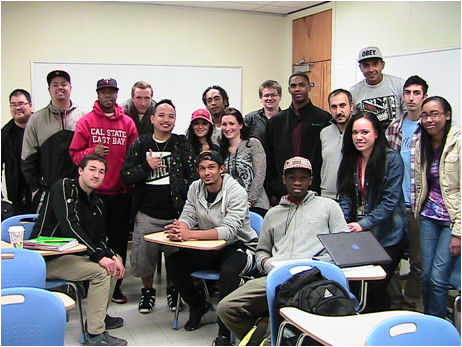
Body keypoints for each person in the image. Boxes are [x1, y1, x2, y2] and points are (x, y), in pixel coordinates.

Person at [217, 156, 348, 342]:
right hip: (277, 277)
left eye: (303, 177)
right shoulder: (273, 214)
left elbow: (341, 248)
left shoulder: (329, 207)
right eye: (292, 177)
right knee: (227, 308)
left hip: (314, 278)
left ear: (311, 181)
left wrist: (316, 265)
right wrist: (267, 264)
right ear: (284, 180)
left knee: (282, 316)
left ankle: (274, 339)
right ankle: (261, 336)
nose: (297, 182)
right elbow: (261, 250)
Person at [30, 154, 127, 346]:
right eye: (92, 169)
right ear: (80, 171)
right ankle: (94, 334)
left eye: (101, 172)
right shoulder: (65, 187)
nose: (96, 175)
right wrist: (99, 256)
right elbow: (70, 226)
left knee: (115, 263)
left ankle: (97, 317)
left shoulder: (97, 203)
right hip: (47, 259)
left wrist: (110, 255)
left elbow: (98, 238)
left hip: (73, 257)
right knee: (101, 271)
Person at [165, 150, 257, 346]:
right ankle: (198, 305)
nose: (206, 172)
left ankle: (224, 331)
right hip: (208, 247)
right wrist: (180, 228)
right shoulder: (195, 188)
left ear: (221, 169)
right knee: (173, 262)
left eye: (211, 168)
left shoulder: (236, 191)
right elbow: (189, 214)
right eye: (202, 168)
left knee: (229, 272)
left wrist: (191, 235)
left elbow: (229, 231)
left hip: (238, 246)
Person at [120, 99, 198, 314]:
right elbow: (125, 176)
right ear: (152, 118)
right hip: (146, 214)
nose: (166, 120)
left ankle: (174, 292)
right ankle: (148, 292)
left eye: (171, 116)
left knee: (175, 259)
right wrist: (146, 166)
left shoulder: (181, 144)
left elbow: (194, 178)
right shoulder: (141, 144)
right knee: (145, 260)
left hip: (175, 215)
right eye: (161, 115)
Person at [69, 78, 138, 304]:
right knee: (92, 239)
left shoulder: (127, 123)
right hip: (92, 194)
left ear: (117, 95)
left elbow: (134, 157)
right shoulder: (86, 122)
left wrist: (129, 185)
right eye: (104, 92)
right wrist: (93, 150)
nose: (108, 96)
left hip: (119, 194)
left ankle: (115, 286)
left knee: (118, 242)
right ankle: (92, 283)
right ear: (98, 94)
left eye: (112, 92)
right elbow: (75, 154)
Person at [337, 111, 407, 313]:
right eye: (355, 132)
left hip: (388, 235)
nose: (359, 137)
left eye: (365, 132)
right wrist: (343, 223)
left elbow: (390, 201)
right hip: (359, 235)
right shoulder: (350, 159)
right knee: (357, 287)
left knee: (376, 287)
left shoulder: (392, 160)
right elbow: (346, 197)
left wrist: (363, 224)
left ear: (377, 133)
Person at [414, 96, 460, 318]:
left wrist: (459, 233)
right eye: (425, 116)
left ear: (447, 115)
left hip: (451, 220)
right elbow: (420, 182)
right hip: (428, 216)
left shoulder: (458, 143)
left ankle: (438, 328)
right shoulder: (421, 141)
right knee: (425, 276)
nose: (429, 120)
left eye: (434, 114)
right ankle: (430, 320)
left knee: (438, 278)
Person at [385, 75, 429, 311]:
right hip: (395, 204)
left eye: (416, 93)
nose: (411, 98)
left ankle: (411, 304)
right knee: (389, 257)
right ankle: (393, 304)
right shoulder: (394, 127)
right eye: (408, 93)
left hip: (419, 205)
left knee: (418, 262)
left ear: (424, 96)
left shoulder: (430, 128)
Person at [21, 70, 85, 213]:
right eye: (55, 84)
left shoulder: (84, 116)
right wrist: (35, 189)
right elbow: (27, 157)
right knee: (47, 233)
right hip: (47, 190)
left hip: (79, 190)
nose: (60, 87)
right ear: (49, 90)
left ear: (71, 88)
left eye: (64, 84)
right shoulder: (36, 119)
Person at [264, 71, 331, 205]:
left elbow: (324, 158)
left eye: (302, 85)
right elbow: (269, 158)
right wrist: (272, 189)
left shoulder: (323, 118)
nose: (298, 89)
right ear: (289, 90)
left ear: (309, 87)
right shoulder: (276, 121)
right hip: (282, 190)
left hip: (314, 190)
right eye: (293, 86)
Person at [219, 107, 269, 217]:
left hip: (256, 205)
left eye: (232, 124)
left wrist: (250, 201)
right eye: (224, 124)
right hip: (232, 206)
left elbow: (260, 175)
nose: (227, 128)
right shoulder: (222, 149)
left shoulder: (253, 144)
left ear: (240, 125)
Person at [350, 46, 406, 129]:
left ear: (382, 65)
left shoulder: (399, 85)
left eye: (375, 64)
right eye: (366, 65)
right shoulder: (354, 92)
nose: (371, 69)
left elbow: (408, 114)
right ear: (360, 68)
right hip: (369, 140)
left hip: (396, 139)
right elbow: (354, 122)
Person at [1, 89, 33, 215]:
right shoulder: (5, 134)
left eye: (21, 103)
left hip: (43, 189)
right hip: (18, 192)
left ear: (30, 105)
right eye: (13, 105)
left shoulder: (40, 126)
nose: (17, 108)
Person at [320, 89, 354, 199]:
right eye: (334, 107)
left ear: (351, 106)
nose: (338, 111)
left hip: (352, 195)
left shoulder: (360, 131)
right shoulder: (324, 133)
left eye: (342, 105)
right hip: (327, 195)